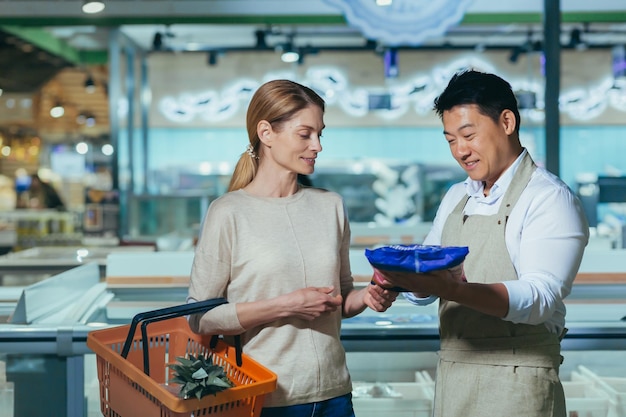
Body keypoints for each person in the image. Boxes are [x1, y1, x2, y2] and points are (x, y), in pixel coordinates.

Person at [372, 70, 589, 417]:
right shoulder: (457, 196)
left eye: (469, 135)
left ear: (507, 122)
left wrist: (453, 289)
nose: (460, 151)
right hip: (454, 375)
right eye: (450, 140)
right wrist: (398, 282)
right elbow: (428, 275)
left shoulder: (548, 198)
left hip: (519, 381)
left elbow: (540, 299)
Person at [188, 79, 397, 417]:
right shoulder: (228, 212)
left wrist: (369, 296)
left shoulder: (331, 206)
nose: (317, 146)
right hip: (263, 399)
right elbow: (200, 317)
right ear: (266, 133)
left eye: (320, 134)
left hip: (335, 395)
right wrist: (285, 305)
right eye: (305, 134)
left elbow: (341, 298)